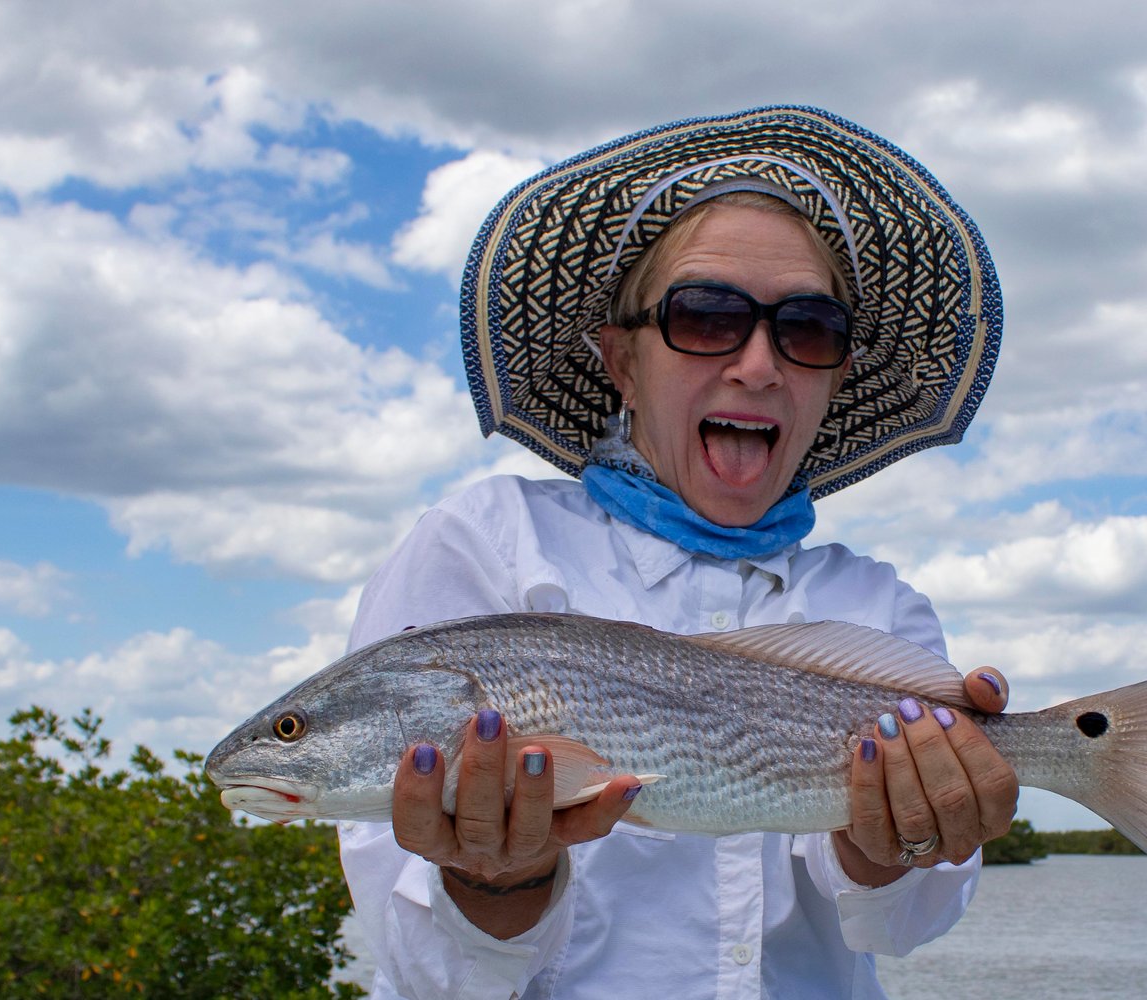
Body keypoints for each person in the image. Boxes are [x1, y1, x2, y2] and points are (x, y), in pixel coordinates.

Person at [339, 105, 1016, 999]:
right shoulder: (486, 543)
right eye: (706, 316)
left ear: (836, 374)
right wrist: (489, 875)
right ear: (622, 361)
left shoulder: (879, 605)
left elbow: (902, 927)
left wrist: (902, 845)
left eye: (807, 329)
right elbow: (420, 971)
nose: (759, 366)